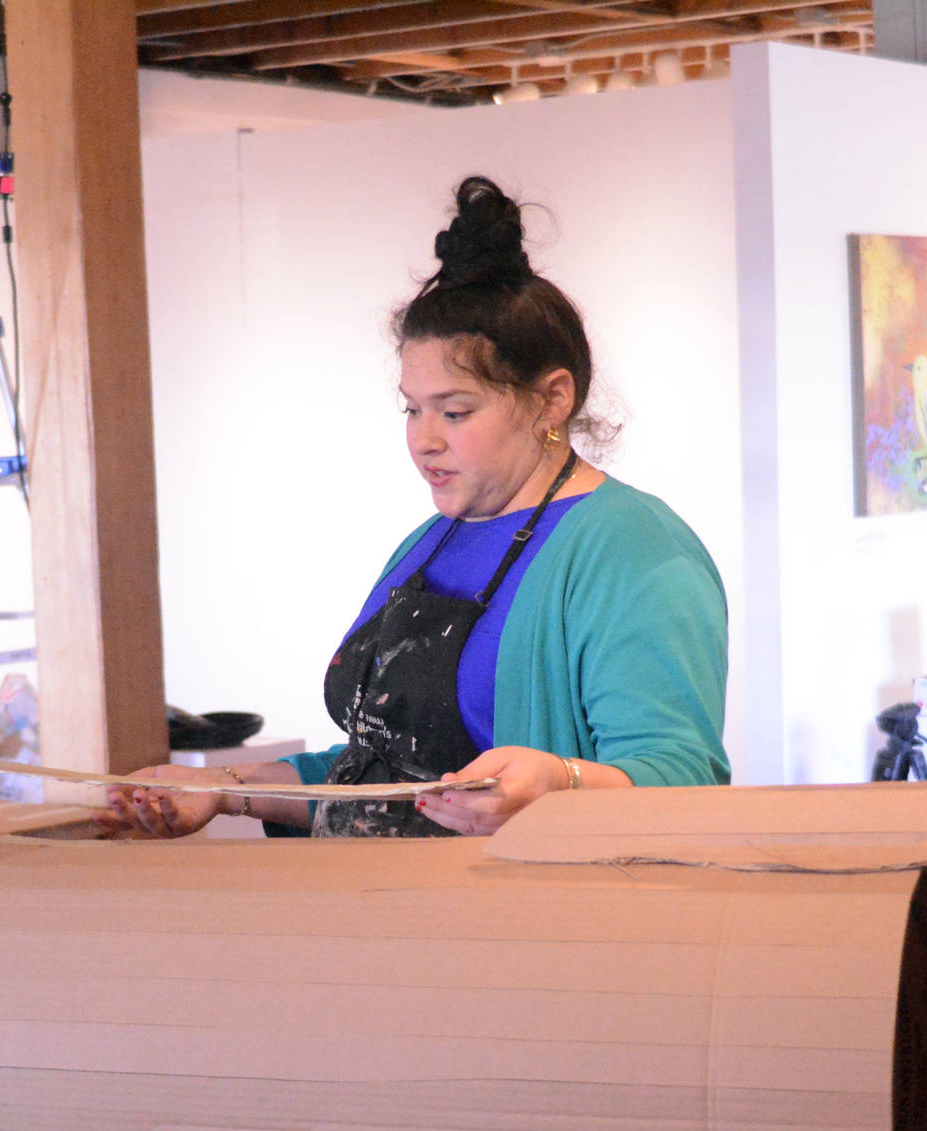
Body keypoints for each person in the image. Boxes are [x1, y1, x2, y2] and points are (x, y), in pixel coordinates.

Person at [108, 176, 728, 838]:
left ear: (553, 399)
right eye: (412, 409)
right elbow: (380, 775)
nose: (424, 440)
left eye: (454, 412)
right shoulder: (431, 541)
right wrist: (222, 788)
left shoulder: (634, 549)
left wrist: (557, 784)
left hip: (515, 903)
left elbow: (682, 779)